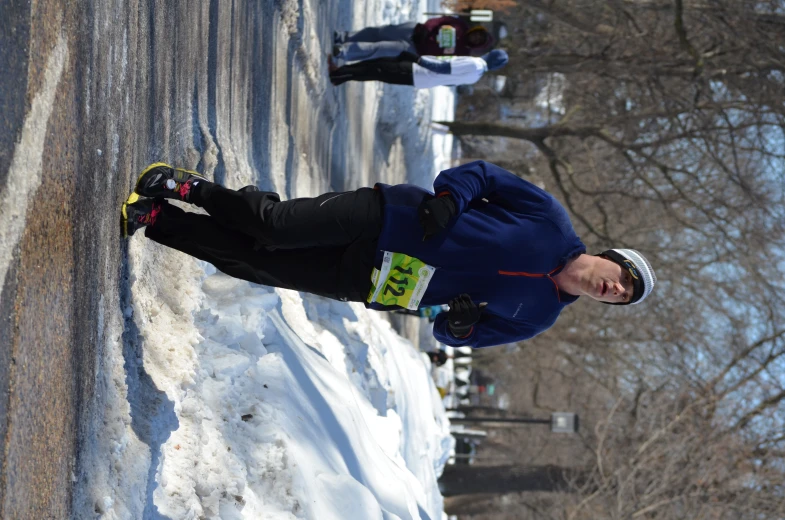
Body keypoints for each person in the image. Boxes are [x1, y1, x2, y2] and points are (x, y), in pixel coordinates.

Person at [120, 160, 657, 349]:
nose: (615, 289)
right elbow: (484, 176)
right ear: (611, 257)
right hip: (389, 218)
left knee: (256, 264)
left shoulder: (536, 318)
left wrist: (463, 324)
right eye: (623, 278)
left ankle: (158, 220)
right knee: (273, 227)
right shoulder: (550, 220)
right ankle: (190, 190)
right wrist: (449, 201)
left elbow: (451, 334)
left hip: (378, 283)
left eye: (622, 297)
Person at [332, 17, 495, 62]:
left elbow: (442, 61)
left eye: (479, 40)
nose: (476, 37)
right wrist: (427, 28)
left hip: (413, 50)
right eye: (478, 34)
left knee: (380, 48)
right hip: (413, 30)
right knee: (379, 32)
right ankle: (345, 37)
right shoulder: (460, 24)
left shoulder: (462, 53)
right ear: (476, 30)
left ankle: (344, 52)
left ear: (477, 45)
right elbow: (439, 20)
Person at [328, 49, 508, 88]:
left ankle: (339, 72)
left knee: (377, 66)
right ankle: (341, 77)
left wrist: (417, 59)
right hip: (419, 80)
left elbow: (443, 68)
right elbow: (449, 83)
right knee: (377, 73)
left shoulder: (474, 63)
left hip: (417, 70)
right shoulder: (476, 77)